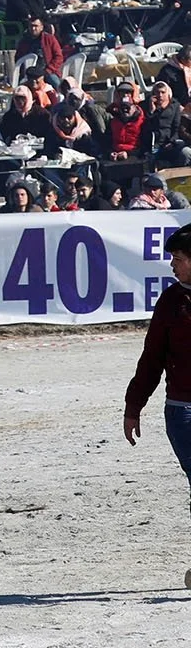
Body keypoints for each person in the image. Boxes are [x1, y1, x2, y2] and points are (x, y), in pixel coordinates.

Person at [126, 223, 191, 586]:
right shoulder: (171, 301)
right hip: (184, 411)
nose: (172, 265)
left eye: (178, 259)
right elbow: (152, 358)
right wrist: (134, 405)